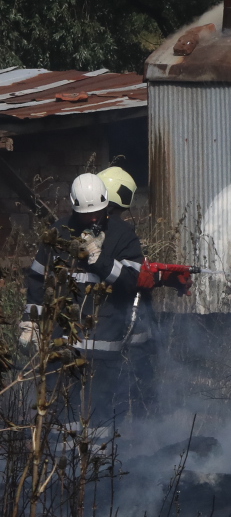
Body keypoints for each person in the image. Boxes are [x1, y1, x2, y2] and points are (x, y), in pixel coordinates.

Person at [20, 172, 150, 435]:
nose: (92, 218)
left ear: (106, 204)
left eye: (98, 212)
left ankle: (98, 473)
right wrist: (31, 322)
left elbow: (130, 282)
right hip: (62, 348)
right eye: (86, 214)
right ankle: (60, 469)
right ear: (73, 208)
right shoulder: (58, 233)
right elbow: (37, 280)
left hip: (103, 349)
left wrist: (99, 258)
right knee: (60, 419)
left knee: (100, 421)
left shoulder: (122, 236)